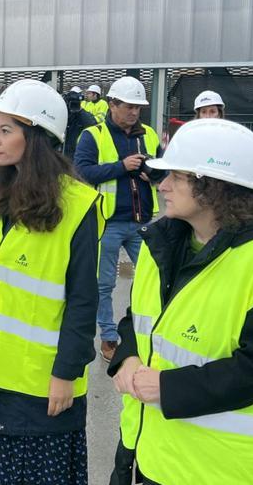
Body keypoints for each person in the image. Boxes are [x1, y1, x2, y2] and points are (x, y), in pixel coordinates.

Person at [108, 119, 253, 485]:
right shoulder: (163, 244)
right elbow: (137, 320)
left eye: (178, 176)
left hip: (224, 470)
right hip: (148, 452)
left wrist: (168, 387)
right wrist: (126, 356)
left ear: (216, 188)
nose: (163, 185)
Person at [0, 79, 101, 485]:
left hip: (43, 385)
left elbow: (82, 300)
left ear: (36, 137)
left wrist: (66, 374)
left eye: (6, 131)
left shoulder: (76, 206)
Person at [73, 76, 164, 362]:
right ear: (112, 104)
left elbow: (164, 172)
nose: (134, 113)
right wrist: (121, 167)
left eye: (138, 108)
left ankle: (145, 333)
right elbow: (82, 173)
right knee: (104, 284)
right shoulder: (93, 136)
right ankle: (109, 337)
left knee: (156, 279)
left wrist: (155, 174)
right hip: (108, 222)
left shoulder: (148, 135)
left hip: (143, 223)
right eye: (128, 106)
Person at [62, 90, 97, 160]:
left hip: (75, 152)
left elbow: (93, 124)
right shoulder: (62, 112)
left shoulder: (81, 115)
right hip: (63, 150)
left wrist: (80, 110)